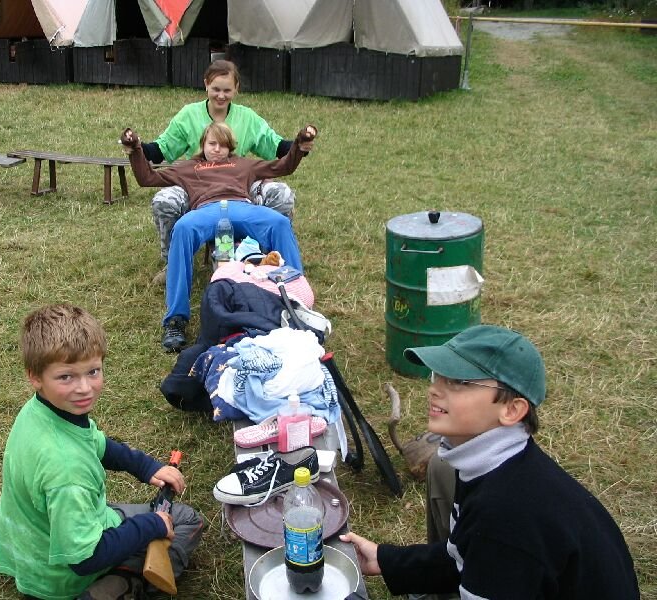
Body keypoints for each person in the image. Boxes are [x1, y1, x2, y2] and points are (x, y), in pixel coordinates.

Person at [340, 325, 639, 600]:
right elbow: (463, 557)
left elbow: (488, 546)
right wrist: (386, 560)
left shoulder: (506, 513)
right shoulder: (489, 465)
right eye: (437, 376)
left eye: (458, 381)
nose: (435, 389)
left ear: (511, 410)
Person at [0, 304, 204, 600]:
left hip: (35, 547)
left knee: (145, 520)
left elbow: (97, 443)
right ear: (35, 377)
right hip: (63, 576)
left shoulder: (42, 410)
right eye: (66, 377)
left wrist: (146, 467)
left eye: (93, 372)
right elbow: (84, 558)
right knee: (184, 519)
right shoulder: (67, 471)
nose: (84, 388)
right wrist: (150, 526)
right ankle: (121, 584)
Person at [121, 122, 316, 351]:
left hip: (241, 207)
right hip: (207, 210)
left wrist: (299, 146)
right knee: (182, 229)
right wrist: (135, 150)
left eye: (223, 145)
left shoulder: (243, 164)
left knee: (279, 223)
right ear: (203, 144)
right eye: (212, 144)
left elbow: (283, 166)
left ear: (230, 147)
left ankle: (296, 303)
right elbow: (147, 178)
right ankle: (176, 319)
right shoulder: (188, 167)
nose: (217, 149)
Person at [139, 59, 309, 285]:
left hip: (240, 181)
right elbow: (161, 149)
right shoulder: (188, 115)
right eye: (216, 89)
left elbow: (275, 145)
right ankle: (174, 261)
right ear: (206, 85)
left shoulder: (247, 117)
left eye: (227, 90)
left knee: (282, 194)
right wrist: (138, 148)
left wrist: (299, 146)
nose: (221, 95)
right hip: (197, 182)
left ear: (236, 89)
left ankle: (269, 257)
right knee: (164, 200)